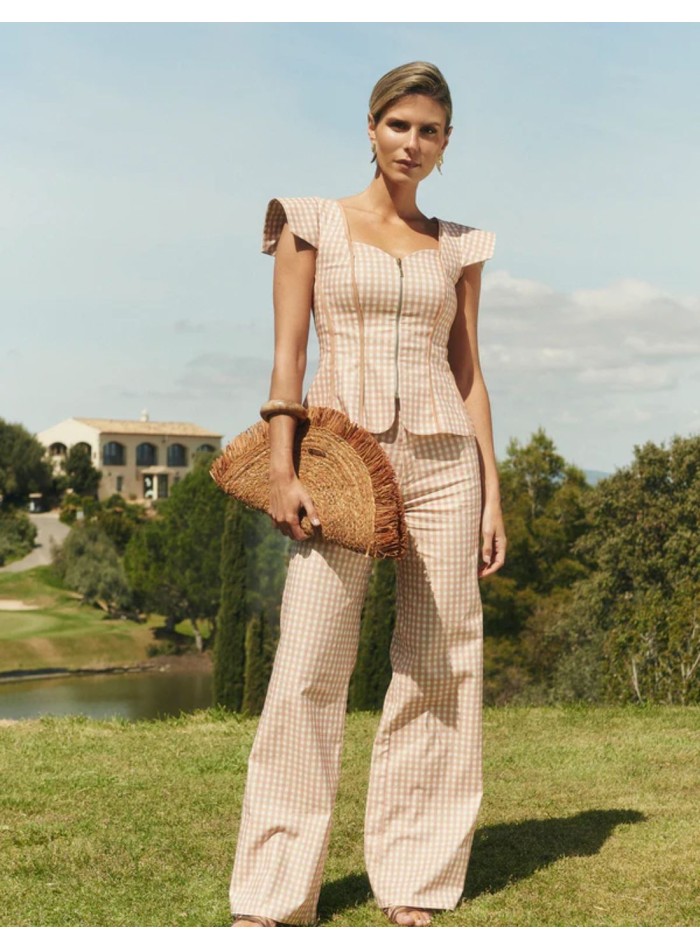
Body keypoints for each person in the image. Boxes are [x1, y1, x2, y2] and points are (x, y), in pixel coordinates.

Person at [229, 61, 506, 928]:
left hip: (443, 466)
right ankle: (275, 895)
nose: (411, 145)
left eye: (430, 131)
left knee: (440, 663)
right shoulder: (311, 224)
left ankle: (416, 877)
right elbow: (288, 363)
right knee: (310, 661)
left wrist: (493, 491)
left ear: (447, 145)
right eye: (399, 126)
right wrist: (284, 469)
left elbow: (469, 373)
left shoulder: (460, 246)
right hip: (342, 463)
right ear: (371, 126)